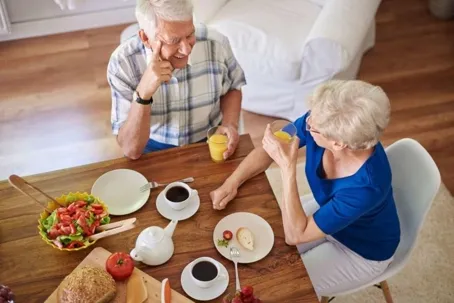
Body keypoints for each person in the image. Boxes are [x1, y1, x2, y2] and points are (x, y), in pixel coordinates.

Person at [210, 80, 401, 297]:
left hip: (360, 250)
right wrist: (232, 183)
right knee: (261, 251)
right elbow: (272, 147)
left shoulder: (367, 187)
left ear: (339, 143)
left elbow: (295, 235)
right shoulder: (320, 122)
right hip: (326, 215)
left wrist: (287, 168)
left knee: (282, 288)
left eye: (313, 126)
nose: (307, 122)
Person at [107, 0, 246, 160]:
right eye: (173, 40)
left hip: (208, 141)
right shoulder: (122, 63)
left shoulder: (217, 43)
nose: (187, 49)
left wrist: (230, 124)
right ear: (145, 38)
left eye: (190, 35)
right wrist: (143, 93)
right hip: (151, 148)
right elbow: (131, 150)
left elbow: (233, 86)